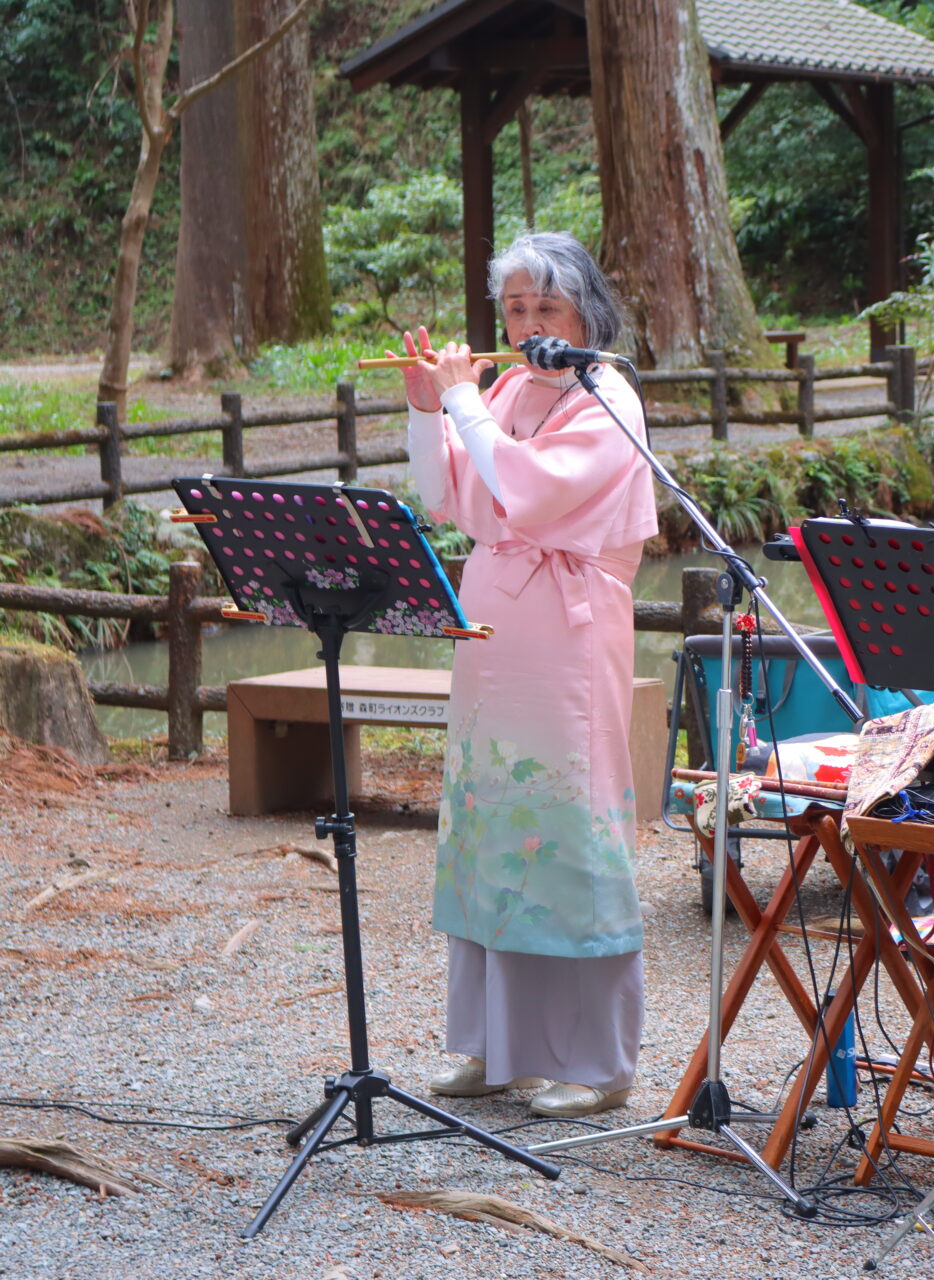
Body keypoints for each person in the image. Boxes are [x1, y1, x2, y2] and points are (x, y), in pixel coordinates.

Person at [393, 231, 657, 1119]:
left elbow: (531, 490)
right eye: (515, 308)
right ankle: (494, 1047)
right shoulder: (507, 389)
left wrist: (462, 399)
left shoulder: (608, 396)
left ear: (586, 313)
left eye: (547, 306)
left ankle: (598, 1062)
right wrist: (428, 408)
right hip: (494, 627)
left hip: (568, 635)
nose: (529, 322)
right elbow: (451, 497)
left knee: (567, 828)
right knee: (491, 823)